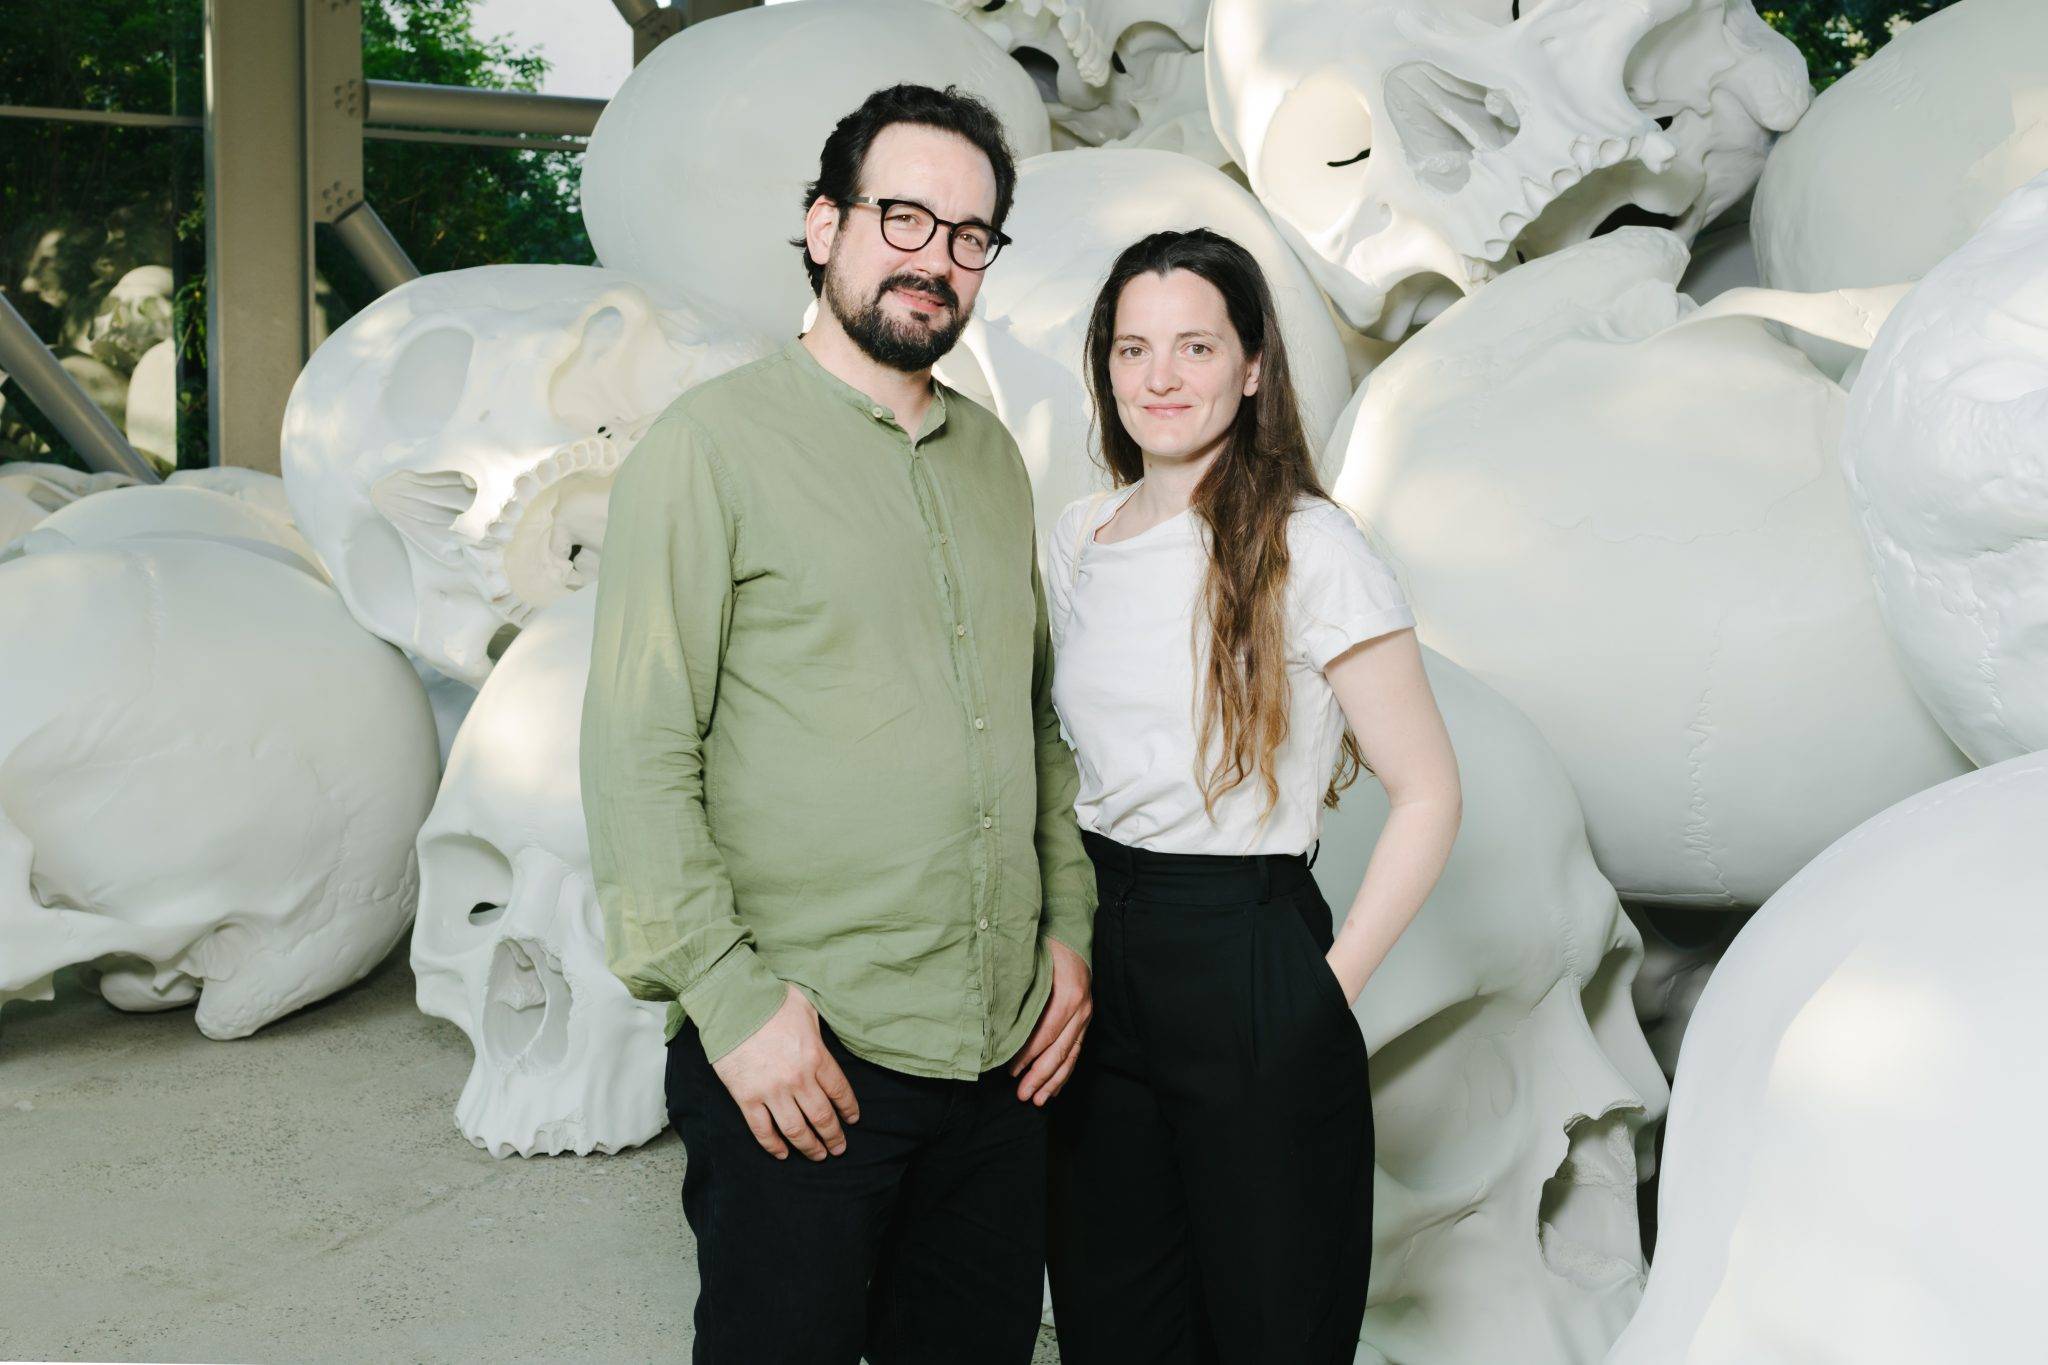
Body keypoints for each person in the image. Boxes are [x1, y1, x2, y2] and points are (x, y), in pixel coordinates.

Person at [579, 84, 1095, 1365]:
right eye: (902, 217)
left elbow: (1036, 726)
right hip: (806, 1052)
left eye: (969, 235)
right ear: (822, 226)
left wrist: (1068, 934)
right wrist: (732, 1007)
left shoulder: (991, 459)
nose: (935, 259)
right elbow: (637, 753)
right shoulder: (707, 452)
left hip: (996, 1052)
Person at [1041, 228, 1463, 1364]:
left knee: (1269, 1328)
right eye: (1132, 349)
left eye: (1193, 345)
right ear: (1105, 367)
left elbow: (1426, 792)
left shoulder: (1308, 543)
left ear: (1251, 367)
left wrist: (1320, 996)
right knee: (1111, 1319)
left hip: (1246, 951)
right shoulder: (1079, 536)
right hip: (1098, 949)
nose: (1160, 377)